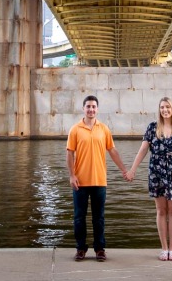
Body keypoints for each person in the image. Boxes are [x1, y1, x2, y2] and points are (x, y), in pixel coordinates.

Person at [125, 96, 172, 261]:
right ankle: (164, 248)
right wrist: (132, 169)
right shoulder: (152, 128)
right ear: (159, 109)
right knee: (161, 211)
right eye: (162, 107)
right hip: (157, 173)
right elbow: (142, 150)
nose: (165, 110)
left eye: (168, 107)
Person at [66, 94, 128, 262]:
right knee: (79, 218)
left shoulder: (104, 129)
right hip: (80, 182)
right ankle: (80, 248)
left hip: (100, 181)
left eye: (94, 107)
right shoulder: (75, 129)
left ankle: (100, 249)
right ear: (83, 109)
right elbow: (70, 153)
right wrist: (72, 176)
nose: (91, 109)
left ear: (97, 109)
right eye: (88, 106)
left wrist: (124, 170)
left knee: (98, 218)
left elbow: (112, 151)